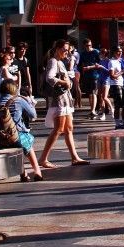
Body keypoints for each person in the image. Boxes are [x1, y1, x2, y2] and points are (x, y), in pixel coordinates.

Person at [38, 39, 89, 169]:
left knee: (69, 128)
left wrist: (68, 82)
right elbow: (50, 78)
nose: (67, 52)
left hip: (66, 99)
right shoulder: (53, 61)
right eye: (64, 50)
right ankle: (43, 159)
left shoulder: (60, 62)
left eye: (68, 50)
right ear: (57, 49)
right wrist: (64, 83)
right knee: (59, 129)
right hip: (59, 100)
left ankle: (74, 157)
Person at [0, 80, 44, 182]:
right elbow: (33, 115)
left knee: (15, 148)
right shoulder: (18, 100)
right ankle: (37, 172)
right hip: (16, 135)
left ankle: (24, 174)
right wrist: (30, 102)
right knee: (28, 145)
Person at [105, 46, 124, 129]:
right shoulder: (111, 62)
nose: (120, 53)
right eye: (118, 51)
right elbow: (112, 76)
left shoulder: (120, 61)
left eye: (120, 51)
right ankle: (117, 124)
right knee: (118, 105)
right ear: (114, 52)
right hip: (115, 85)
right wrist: (121, 72)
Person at [77, 39, 101, 117]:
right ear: (84, 46)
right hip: (86, 75)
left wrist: (90, 67)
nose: (89, 47)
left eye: (90, 45)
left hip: (95, 75)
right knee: (90, 94)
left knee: (94, 93)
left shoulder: (96, 52)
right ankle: (92, 110)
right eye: (87, 45)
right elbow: (80, 64)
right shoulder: (83, 54)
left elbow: (100, 63)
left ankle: (93, 110)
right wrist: (83, 68)